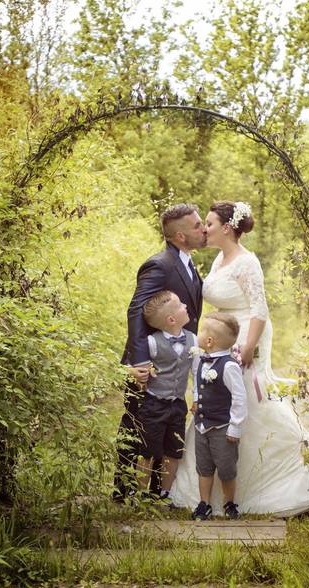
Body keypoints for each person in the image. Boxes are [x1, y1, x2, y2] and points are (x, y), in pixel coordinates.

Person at [170, 201, 309, 517]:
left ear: (227, 227)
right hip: (222, 335)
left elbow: (259, 309)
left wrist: (249, 346)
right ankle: (212, 488)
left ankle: (284, 478)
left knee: (248, 402)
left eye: (209, 224)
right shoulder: (219, 259)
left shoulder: (247, 262)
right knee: (217, 400)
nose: (204, 229)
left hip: (245, 336)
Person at [114, 204, 206, 501]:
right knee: (138, 425)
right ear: (180, 235)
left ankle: (156, 493)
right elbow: (136, 310)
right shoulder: (159, 264)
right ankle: (123, 491)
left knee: (165, 432)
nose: (203, 229)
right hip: (150, 362)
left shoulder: (188, 263)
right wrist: (140, 362)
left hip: (175, 361)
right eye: (197, 225)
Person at [133, 291, 197, 501]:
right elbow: (136, 367)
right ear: (171, 319)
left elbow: (196, 373)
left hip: (178, 405)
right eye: (181, 305)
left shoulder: (193, 340)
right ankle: (142, 493)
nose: (186, 306)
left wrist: (196, 397)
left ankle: (165, 492)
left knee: (174, 451)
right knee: (148, 450)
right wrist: (130, 371)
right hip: (154, 404)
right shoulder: (152, 342)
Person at [190, 312, 247, 521]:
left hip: (222, 428)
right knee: (203, 467)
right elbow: (198, 384)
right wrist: (197, 399)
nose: (199, 334)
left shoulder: (229, 366)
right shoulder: (200, 359)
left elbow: (240, 399)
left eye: (202, 331)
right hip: (201, 426)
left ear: (210, 341)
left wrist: (235, 427)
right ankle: (204, 504)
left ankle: (229, 503)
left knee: (226, 468)